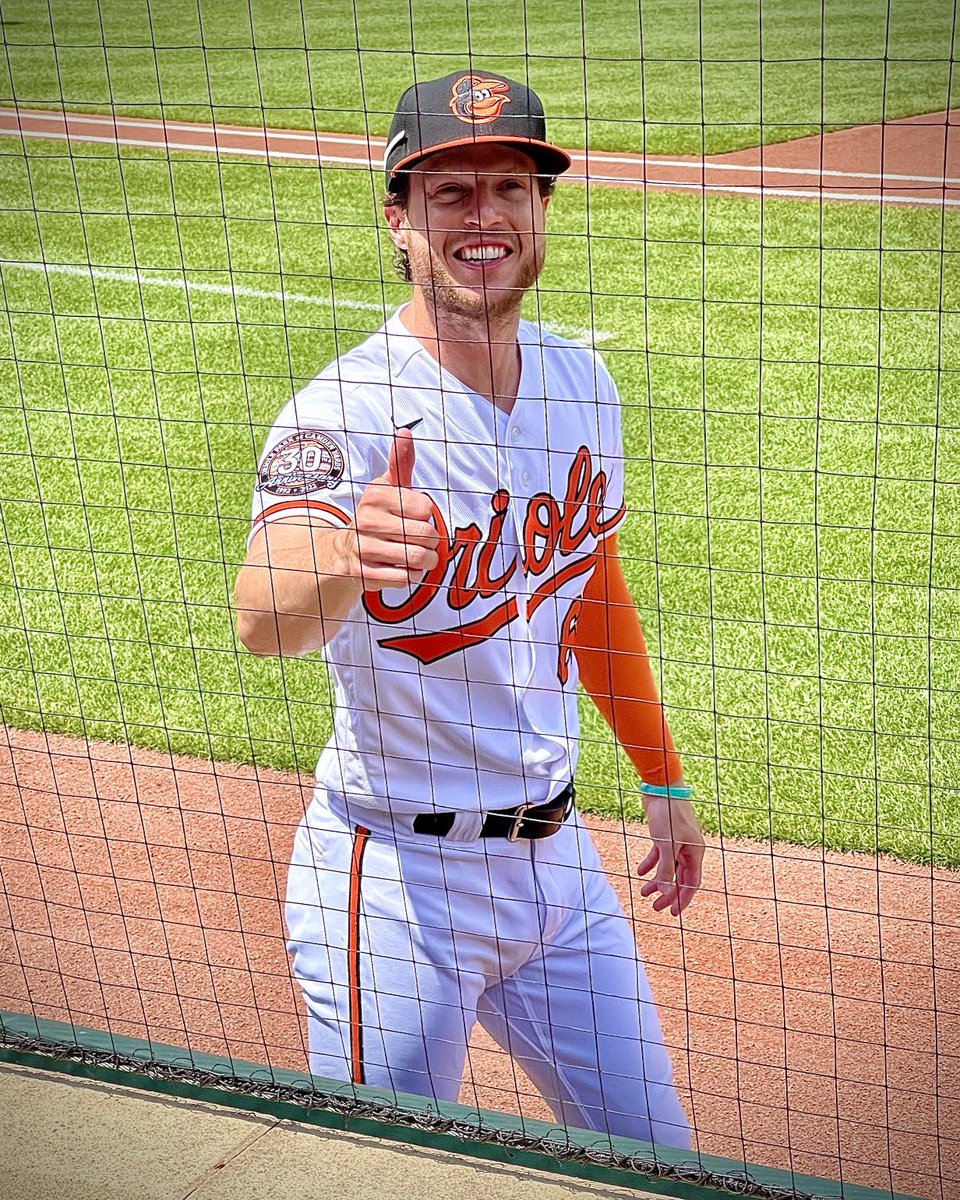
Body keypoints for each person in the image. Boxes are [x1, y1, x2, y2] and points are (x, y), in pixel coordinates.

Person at [233, 70, 705, 1149]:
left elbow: (590, 592)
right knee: (380, 1171)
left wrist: (663, 772)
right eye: (448, 195)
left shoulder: (584, 383)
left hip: (562, 870)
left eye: (509, 188)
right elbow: (267, 618)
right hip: (398, 882)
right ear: (398, 220)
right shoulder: (339, 414)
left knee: (662, 1159)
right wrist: (351, 554)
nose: (483, 216)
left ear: (541, 213)